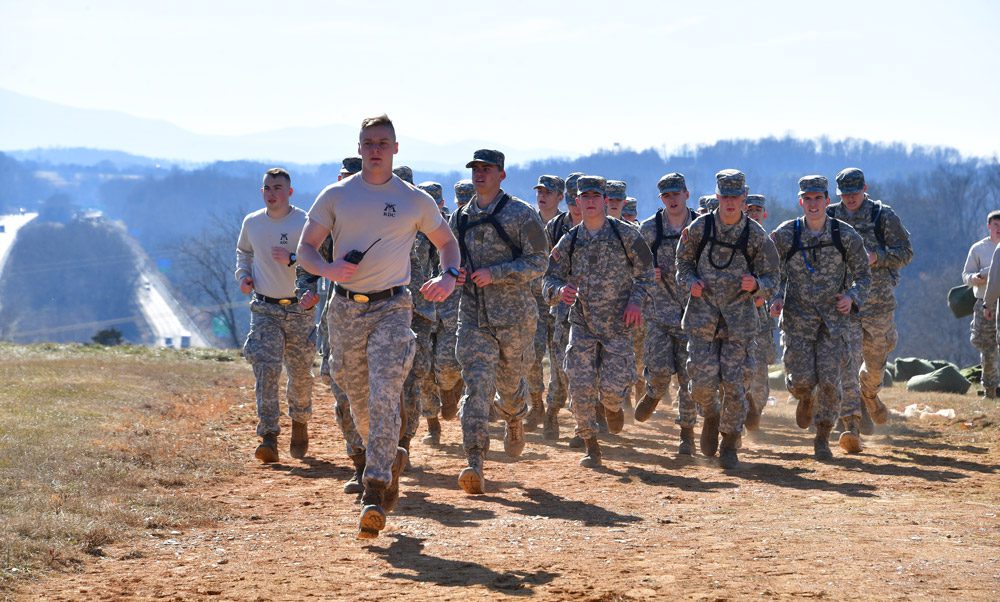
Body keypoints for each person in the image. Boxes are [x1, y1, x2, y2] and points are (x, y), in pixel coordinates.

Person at [297, 114, 460, 539]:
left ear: (395, 148)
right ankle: (388, 456)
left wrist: (448, 276)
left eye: (383, 142)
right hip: (345, 310)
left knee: (386, 391)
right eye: (368, 142)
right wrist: (330, 269)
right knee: (356, 397)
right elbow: (306, 250)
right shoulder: (336, 195)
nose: (375, 149)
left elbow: (447, 243)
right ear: (359, 147)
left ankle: (375, 487)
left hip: (393, 306)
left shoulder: (414, 200)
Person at [449, 149, 548, 494]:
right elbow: (450, 262)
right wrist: (454, 275)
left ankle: (515, 418)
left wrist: (497, 273)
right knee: (476, 387)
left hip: (514, 319)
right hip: (473, 316)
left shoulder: (522, 214)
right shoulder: (459, 218)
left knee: (508, 388)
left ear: (501, 174)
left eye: (487, 169)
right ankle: (474, 462)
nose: (480, 174)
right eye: (475, 169)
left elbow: (539, 262)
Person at [543, 175, 654, 466]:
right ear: (577, 202)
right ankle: (591, 446)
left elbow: (646, 274)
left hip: (618, 326)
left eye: (595, 197)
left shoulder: (626, 235)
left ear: (605, 201)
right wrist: (559, 291)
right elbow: (549, 279)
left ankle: (613, 406)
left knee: (612, 390)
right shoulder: (570, 240)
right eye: (584, 197)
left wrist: (635, 301)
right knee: (579, 386)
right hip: (582, 324)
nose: (590, 202)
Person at [675, 169, 778, 469]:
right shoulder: (700, 228)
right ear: (718, 197)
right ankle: (710, 414)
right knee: (702, 383)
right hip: (702, 318)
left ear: (744, 198)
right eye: (725, 197)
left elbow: (773, 275)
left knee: (736, 385)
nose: (730, 203)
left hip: (740, 322)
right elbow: (682, 262)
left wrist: (757, 284)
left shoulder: (755, 235)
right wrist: (689, 281)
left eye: (736, 197)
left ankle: (730, 441)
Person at [770, 176, 871, 457]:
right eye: (808, 199)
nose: (813, 204)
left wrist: (851, 297)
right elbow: (772, 272)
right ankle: (804, 398)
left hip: (833, 322)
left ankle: (822, 436)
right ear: (801, 202)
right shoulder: (787, 234)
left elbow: (864, 276)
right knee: (801, 380)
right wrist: (776, 296)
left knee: (830, 381)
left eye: (818, 198)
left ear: (828, 201)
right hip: (797, 319)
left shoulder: (845, 235)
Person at [236, 168, 320, 463]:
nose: (273, 193)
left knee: (299, 374)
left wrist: (294, 260)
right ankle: (269, 436)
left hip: (299, 308)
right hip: (265, 308)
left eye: (278, 188)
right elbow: (243, 252)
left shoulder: (304, 221)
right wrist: (243, 275)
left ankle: (300, 421)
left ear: (290, 192)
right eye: (268, 188)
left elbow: (320, 258)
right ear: (262, 192)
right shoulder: (253, 222)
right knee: (266, 369)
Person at [828, 167, 913, 432]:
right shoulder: (830, 216)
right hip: (844, 303)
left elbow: (906, 252)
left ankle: (870, 396)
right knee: (846, 361)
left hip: (877, 304)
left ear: (864, 189)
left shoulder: (882, 216)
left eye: (854, 193)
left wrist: (878, 257)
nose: (850, 198)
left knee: (875, 367)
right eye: (845, 194)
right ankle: (851, 420)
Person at [634, 173, 698, 455]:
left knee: (689, 377)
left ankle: (686, 434)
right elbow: (630, 264)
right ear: (661, 199)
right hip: (658, 312)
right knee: (659, 369)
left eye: (676, 194)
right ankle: (653, 392)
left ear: (687, 194)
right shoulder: (649, 229)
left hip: (693, 315)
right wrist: (647, 272)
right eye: (667, 196)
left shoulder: (702, 227)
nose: (672, 200)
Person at [545, 172, 586, 443]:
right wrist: (555, 293)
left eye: (578, 199)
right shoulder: (554, 228)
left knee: (583, 369)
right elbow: (544, 269)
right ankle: (551, 410)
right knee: (562, 367)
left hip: (595, 310)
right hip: (560, 309)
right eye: (570, 199)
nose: (574, 205)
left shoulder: (607, 229)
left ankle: (582, 425)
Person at [525, 175, 566, 431]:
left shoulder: (567, 225)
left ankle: (553, 409)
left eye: (549, 192)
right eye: (540, 191)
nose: (543, 196)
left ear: (560, 197)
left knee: (561, 362)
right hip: (534, 300)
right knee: (531, 356)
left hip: (562, 301)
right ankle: (536, 404)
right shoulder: (527, 223)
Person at [743, 193, 775, 431]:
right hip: (737, 312)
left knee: (761, 366)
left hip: (761, 315)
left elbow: (778, 277)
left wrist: (767, 296)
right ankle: (739, 412)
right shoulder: (738, 240)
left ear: (763, 214)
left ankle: (755, 409)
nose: (753, 213)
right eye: (749, 209)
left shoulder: (769, 243)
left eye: (757, 210)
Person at [962, 211, 1000, 398]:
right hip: (985, 301)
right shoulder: (978, 249)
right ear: (989, 226)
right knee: (987, 346)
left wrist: (991, 271)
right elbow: (966, 275)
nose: (999, 228)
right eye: (996, 225)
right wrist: (976, 278)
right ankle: (990, 390)